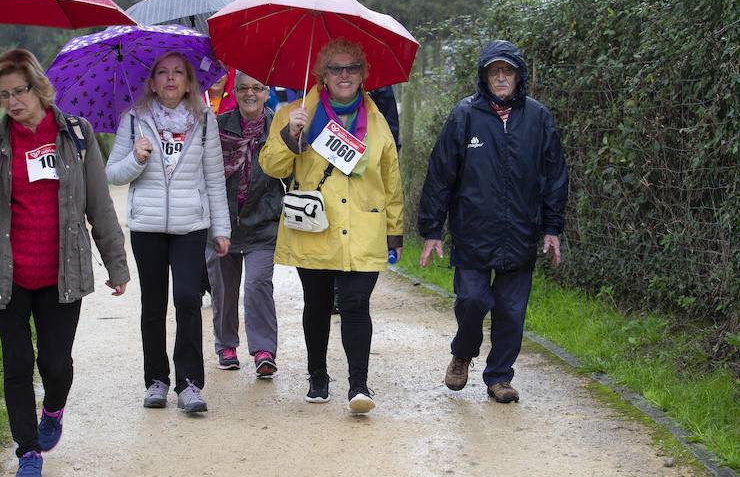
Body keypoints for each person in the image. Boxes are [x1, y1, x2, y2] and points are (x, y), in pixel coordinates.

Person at [0, 48, 130, 477]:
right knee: (16, 363)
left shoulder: (76, 134)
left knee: (56, 364)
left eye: (20, 91)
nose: (13, 101)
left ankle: (53, 408)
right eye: (4, 95)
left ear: (38, 88)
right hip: (9, 273)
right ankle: (28, 450)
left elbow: (99, 204)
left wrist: (116, 265)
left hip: (61, 272)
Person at [417, 39, 569, 404]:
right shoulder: (464, 115)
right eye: (494, 71)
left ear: (519, 76)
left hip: (520, 231)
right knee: (472, 300)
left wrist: (552, 228)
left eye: (508, 71)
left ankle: (500, 377)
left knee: (511, 312)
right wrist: (432, 230)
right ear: (484, 76)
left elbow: (555, 175)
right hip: (473, 232)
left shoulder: (537, 117)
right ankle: (463, 352)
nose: (501, 77)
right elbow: (440, 174)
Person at [259, 38, 404, 414]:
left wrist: (395, 229)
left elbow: (390, 178)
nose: (344, 75)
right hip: (316, 226)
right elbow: (271, 166)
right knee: (318, 303)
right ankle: (318, 375)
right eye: (335, 68)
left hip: (363, 227)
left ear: (363, 74)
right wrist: (290, 135)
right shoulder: (295, 113)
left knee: (356, 303)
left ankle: (359, 385)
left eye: (352, 67)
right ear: (321, 74)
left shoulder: (376, 121)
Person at [106, 51, 230, 414]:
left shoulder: (204, 120)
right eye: (162, 72)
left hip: (191, 225)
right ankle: (156, 380)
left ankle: (189, 383)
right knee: (154, 303)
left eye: (178, 72)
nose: (171, 78)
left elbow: (214, 178)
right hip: (147, 226)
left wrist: (221, 228)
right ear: (152, 82)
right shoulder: (134, 120)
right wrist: (136, 158)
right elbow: (112, 173)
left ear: (190, 83)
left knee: (188, 299)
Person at [208, 71, 282, 377]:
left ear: (267, 92)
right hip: (223, 222)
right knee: (224, 288)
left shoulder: (279, 127)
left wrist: (296, 139)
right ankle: (226, 344)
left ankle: (264, 350)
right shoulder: (218, 126)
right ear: (235, 93)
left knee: (257, 284)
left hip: (263, 222)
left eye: (257, 88)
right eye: (243, 89)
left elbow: (292, 170)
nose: (250, 94)